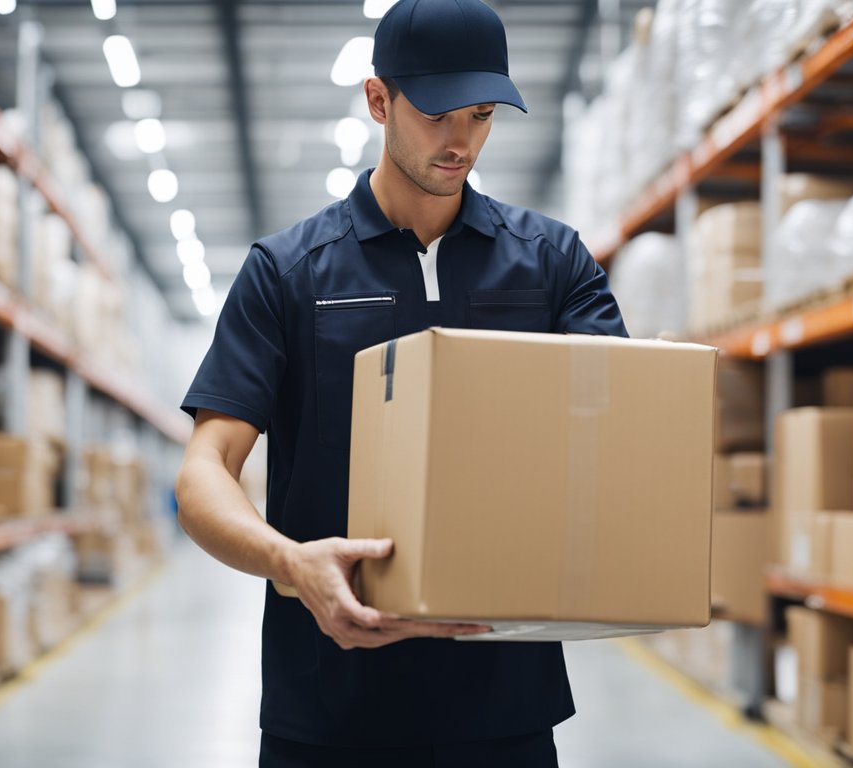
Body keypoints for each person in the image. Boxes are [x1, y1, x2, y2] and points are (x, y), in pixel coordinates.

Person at [175, 0, 627, 764]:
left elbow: (619, 432)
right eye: (437, 113)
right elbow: (204, 471)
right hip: (329, 705)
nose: (461, 142)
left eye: (482, 115)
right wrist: (290, 563)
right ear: (379, 100)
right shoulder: (288, 272)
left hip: (503, 707)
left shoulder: (552, 264)